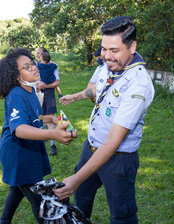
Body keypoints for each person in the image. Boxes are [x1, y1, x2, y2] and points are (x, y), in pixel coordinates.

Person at [54, 16, 155, 224]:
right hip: (90, 148)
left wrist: (76, 178)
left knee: (122, 215)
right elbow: (96, 88)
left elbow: (112, 143)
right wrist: (76, 96)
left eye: (114, 50)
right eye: (104, 49)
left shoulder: (139, 84)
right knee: (81, 199)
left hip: (118, 159)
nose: (106, 56)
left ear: (132, 46)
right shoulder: (107, 66)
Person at [0, 48, 77, 224]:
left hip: (29, 150)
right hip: (18, 154)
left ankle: (4, 221)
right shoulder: (15, 95)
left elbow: (32, 118)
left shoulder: (31, 91)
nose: (34, 67)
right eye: (27, 67)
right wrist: (52, 134)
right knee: (40, 202)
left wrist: (48, 118)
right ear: (16, 75)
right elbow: (19, 128)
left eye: (32, 63)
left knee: (18, 189)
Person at [38, 51, 58, 155]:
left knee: (46, 118)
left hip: (46, 93)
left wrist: (44, 86)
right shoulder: (53, 66)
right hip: (43, 93)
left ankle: (51, 144)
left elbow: (57, 82)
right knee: (42, 117)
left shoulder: (38, 66)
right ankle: (47, 141)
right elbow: (55, 65)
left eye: (39, 54)